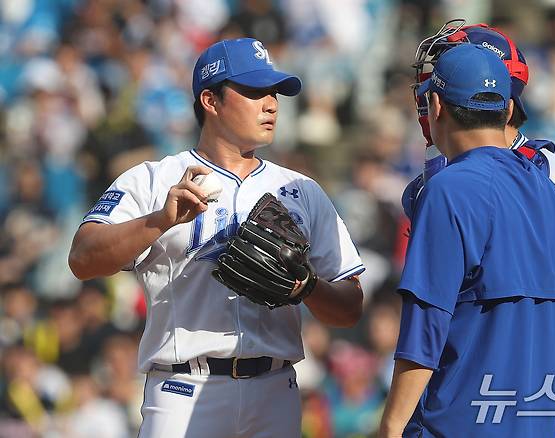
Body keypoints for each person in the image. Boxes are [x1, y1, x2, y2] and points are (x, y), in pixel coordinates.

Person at [68, 37, 365, 438]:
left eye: (274, 92)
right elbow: (82, 258)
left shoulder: (300, 189)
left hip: (275, 390)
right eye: (255, 91)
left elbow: (350, 307)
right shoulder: (155, 179)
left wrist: (308, 286)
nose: (272, 103)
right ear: (210, 100)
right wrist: (160, 221)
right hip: (183, 389)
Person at [404, 22, 555, 437]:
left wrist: (485, 326)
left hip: (522, 383)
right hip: (446, 378)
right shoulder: (442, 175)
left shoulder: (551, 175)